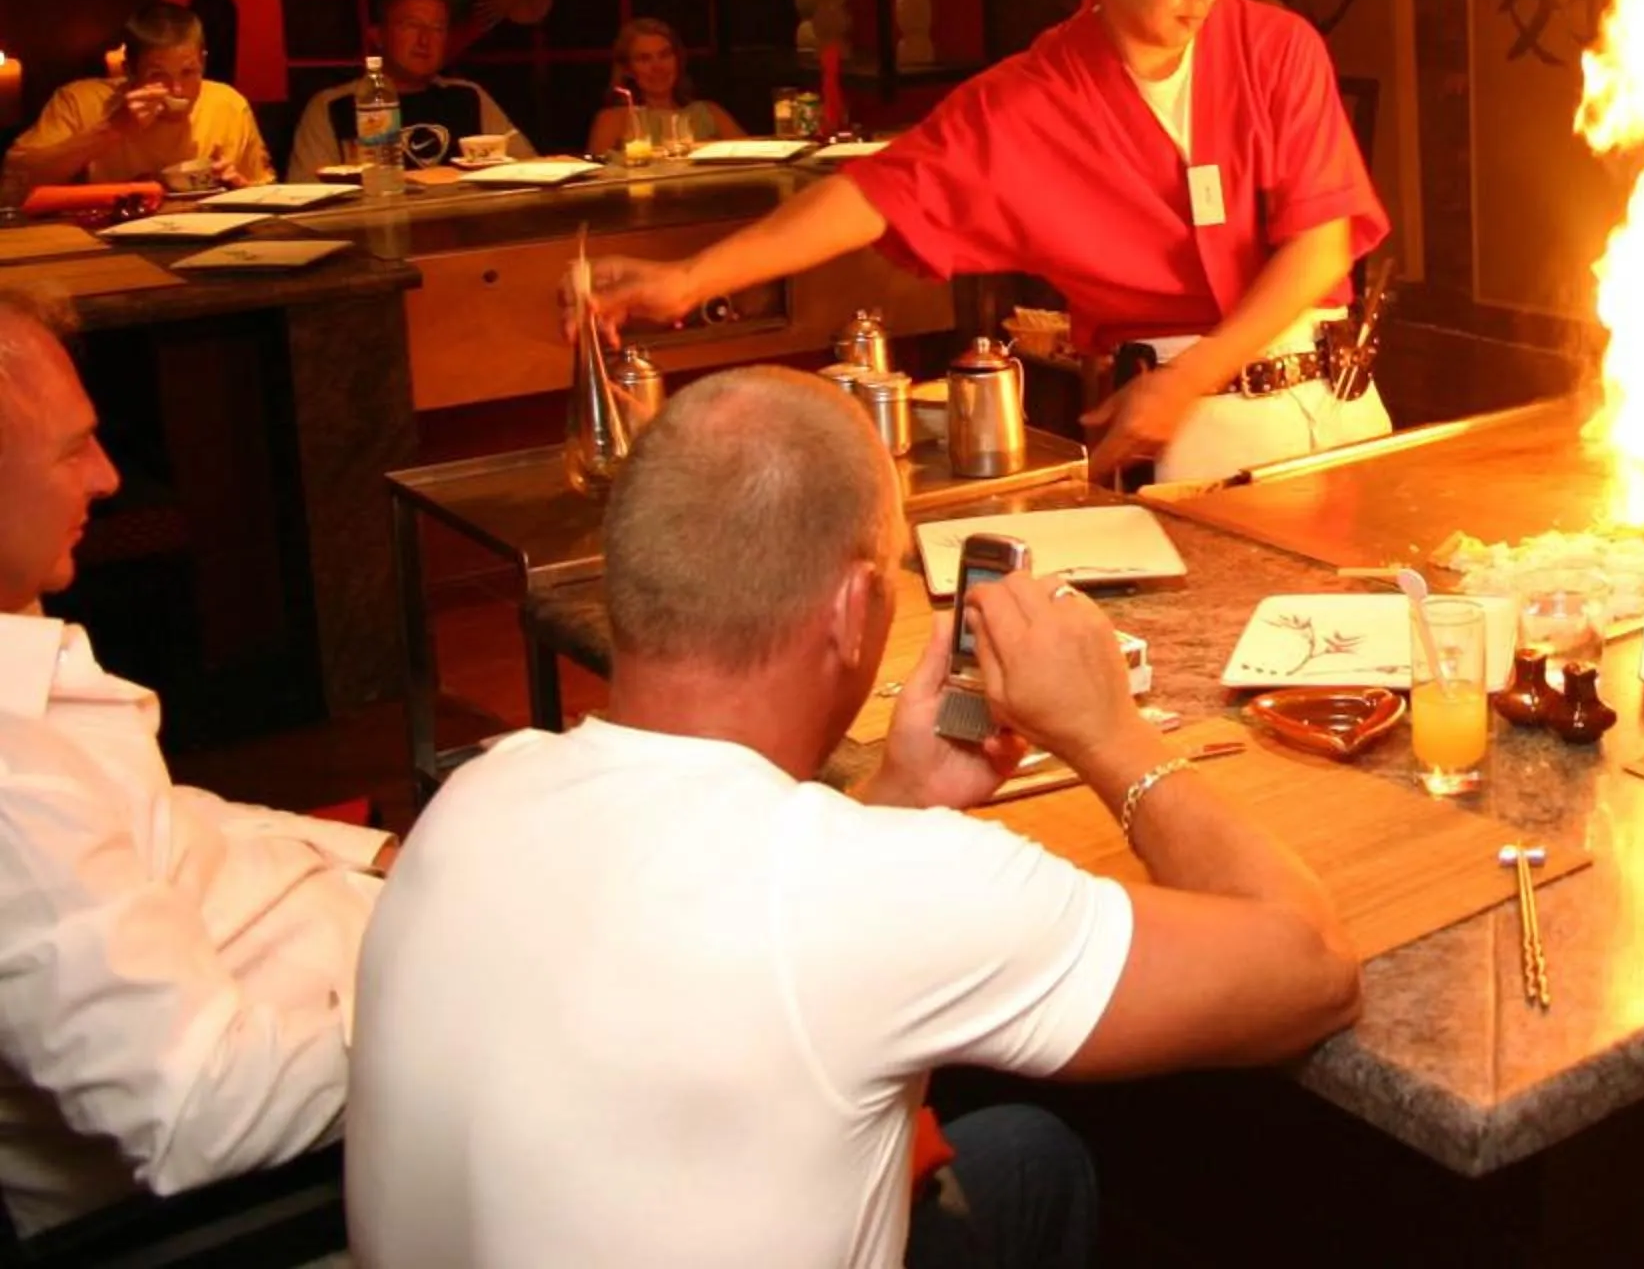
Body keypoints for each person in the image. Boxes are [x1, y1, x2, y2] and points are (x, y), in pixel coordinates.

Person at [344, 365, 1360, 1269]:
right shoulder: (879, 892)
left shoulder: (475, 794)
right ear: (850, 608)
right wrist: (1109, 732)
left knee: (1024, 1157)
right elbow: (1310, 969)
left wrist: (898, 796)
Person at [586, 0, 1392, 483]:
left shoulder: (1275, 47)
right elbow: (875, 193)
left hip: (1338, 396)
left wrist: (1193, 377)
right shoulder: (1030, 97)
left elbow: (1321, 240)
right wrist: (688, 279)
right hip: (1177, 428)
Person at [0, 286, 392, 1241]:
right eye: (70, 450)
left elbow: (161, 820)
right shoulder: (13, 789)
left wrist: (378, 859)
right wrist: (474, 990)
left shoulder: (21, 651)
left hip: (362, 952)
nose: (107, 477)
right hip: (292, 1183)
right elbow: (197, 1115)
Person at [0, 2, 273, 202]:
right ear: (130, 70)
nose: (176, 89)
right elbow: (15, 186)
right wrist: (113, 128)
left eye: (188, 72)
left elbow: (264, 195)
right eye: (157, 75)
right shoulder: (79, 101)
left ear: (203, 61)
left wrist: (240, 189)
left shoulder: (228, 104)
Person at [284, 0, 532, 181]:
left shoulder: (468, 96)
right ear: (378, 36)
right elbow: (306, 197)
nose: (425, 40)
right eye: (412, 25)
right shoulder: (333, 106)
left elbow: (527, 168)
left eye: (437, 28)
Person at [585, 17, 743, 156]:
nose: (658, 67)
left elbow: (754, 160)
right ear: (628, 69)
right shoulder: (614, 120)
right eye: (644, 59)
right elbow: (594, 180)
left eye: (665, 55)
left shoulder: (710, 113)